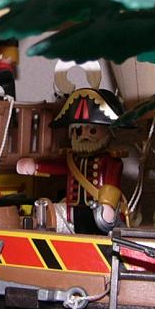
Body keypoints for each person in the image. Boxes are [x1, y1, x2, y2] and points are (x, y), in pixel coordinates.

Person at [16, 87, 127, 234]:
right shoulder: (72, 159)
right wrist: (36, 166)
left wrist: (107, 203)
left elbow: (112, 182)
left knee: (101, 233)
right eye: (79, 131)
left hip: (99, 210)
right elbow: (58, 167)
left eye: (92, 130)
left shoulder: (110, 159)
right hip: (75, 210)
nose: (84, 135)